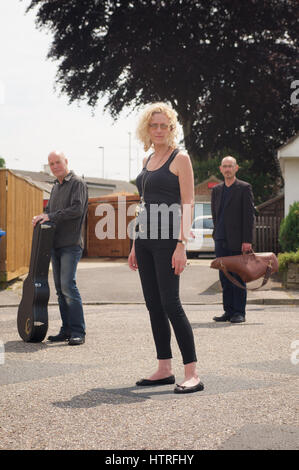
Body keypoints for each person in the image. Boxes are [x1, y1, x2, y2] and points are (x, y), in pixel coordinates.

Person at [128, 102, 204, 394]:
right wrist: (136, 243)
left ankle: (192, 373)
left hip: (169, 241)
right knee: (153, 305)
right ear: (147, 129)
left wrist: (181, 245)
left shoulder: (180, 157)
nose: (158, 130)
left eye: (164, 125)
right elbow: (143, 205)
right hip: (145, 240)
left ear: (172, 129)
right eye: (153, 125)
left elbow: (188, 203)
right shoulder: (148, 159)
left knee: (171, 303)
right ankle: (164, 368)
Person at [32, 151, 88, 345]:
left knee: (68, 286)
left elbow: (77, 209)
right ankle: (66, 330)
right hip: (54, 245)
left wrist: (51, 216)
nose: (54, 166)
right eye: (51, 163)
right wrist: (42, 215)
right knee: (59, 289)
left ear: (66, 162)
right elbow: (51, 211)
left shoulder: (77, 183)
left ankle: (78, 331)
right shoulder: (55, 186)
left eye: (58, 162)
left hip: (71, 245)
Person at [211, 156, 255, 323]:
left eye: (230, 166)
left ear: (236, 168)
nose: (227, 169)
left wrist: (247, 240)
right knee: (224, 277)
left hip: (238, 241)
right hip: (220, 239)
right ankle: (228, 311)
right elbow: (215, 215)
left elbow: (249, 216)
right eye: (225, 166)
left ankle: (239, 312)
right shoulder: (216, 190)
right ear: (220, 169)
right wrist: (216, 233)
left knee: (238, 276)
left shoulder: (244, 188)